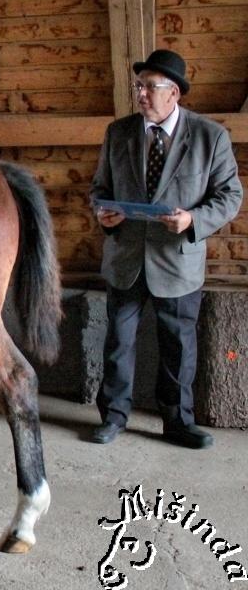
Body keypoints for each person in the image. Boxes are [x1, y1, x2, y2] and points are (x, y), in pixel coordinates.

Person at [89, 49, 243, 449]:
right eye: (138, 86)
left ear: (173, 93)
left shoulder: (211, 137)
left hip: (178, 262)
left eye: (149, 87)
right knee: (118, 343)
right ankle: (113, 418)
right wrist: (103, 212)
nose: (141, 94)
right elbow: (100, 190)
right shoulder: (118, 132)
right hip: (125, 259)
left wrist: (192, 220)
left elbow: (229, 197)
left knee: (178, 347)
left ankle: (177, 422)